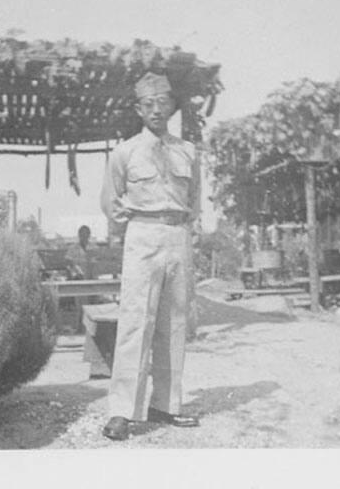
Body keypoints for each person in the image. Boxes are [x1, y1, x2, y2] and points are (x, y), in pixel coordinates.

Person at [100, 72, 200, 441]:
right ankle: (122, 412)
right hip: (142, 236)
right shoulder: (124, 152)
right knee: (134, 321)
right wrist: (132, 220)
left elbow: (194, 201)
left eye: (163, 102)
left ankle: (166, 404)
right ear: (139, 109)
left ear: (172, 106)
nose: (157, 110)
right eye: (149, 104)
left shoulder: (187, 151)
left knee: (174, 322)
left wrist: (183, 227)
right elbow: (110, 202)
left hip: (177, 235)